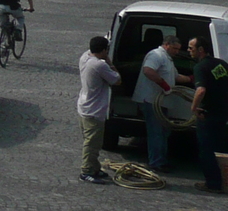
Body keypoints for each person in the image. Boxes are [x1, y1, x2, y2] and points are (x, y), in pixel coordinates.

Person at [132, 33, 184, 171]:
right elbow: (148, 71)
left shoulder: (168, 59)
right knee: (156, 131)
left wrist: (193, 78)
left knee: (163, 131)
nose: (177, 52)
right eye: (175, 48)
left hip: (161, 102)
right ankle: (156, 162)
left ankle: (161, 160)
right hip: (151, 100)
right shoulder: (156, 55)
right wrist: (164, 85)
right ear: (166, 45)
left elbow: (176, 77)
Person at [76, 35, 121, 183]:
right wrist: (109, 62)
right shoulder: (99, 65)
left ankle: (94, 168)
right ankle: (86, 171)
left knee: (93, 141)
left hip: (84, 106)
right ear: (103, 50)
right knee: (92, 144)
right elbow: (117, 80)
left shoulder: (85, 57)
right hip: (94, 110)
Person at [188, 36, 228, 194]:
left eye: (191, 48)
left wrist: (194, 108)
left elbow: (201, 90)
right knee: (221, 148)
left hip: (208, 114)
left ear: (200, 50)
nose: (188, 51)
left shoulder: (200, 67)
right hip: (223, 113)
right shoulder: (221, 64)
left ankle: (212, 183)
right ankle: (223, 180)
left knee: (207, 149)